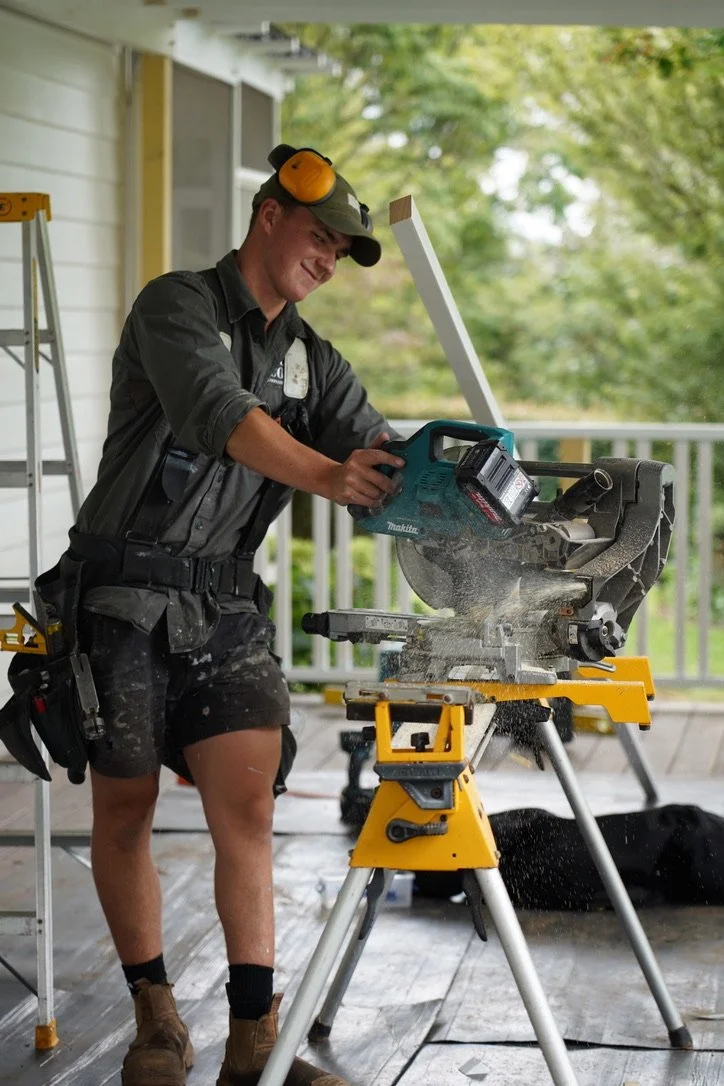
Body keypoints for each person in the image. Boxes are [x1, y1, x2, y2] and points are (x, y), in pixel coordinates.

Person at [64, 144, 405, 1086]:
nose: (329, 259)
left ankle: (258, 1038)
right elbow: (223, 416)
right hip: (122, 599)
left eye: (343, 250)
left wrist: (459, 489)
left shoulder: (313, 360)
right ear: (269, 219)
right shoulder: (176, 306)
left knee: (247, 811)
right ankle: (156, 1021)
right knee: (125, 810)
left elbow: (376, 451)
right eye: (320, 236)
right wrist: (330, 475)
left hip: (224, 606)